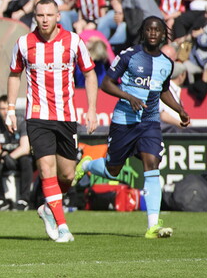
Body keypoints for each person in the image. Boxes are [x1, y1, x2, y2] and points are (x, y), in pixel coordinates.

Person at [75, 17, 190, 238]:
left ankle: (152, 226)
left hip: (149, 122)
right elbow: (106, 83)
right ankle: (89, 164)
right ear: (143, 32)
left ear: (163, 34)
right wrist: (129, 97)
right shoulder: (129, 55)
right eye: (149, 29)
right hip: (124, 121)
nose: (153, 33)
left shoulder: (167, 63)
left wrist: (179, 109)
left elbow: (162, 90)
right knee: (112, 169)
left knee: (152, 162)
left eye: (157, 30)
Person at [6, 0, 98, 244]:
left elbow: (89, 74)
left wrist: (91, 109)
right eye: (40, 15)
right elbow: (14, 75)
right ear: (35, 17)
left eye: (49, 15)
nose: (44, 19)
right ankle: (63, 226)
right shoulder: (24, 43)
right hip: (37, 116)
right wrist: (10, 108)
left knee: (67, 175)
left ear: (58, 16)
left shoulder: (74, 41)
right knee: (46, 169)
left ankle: (48, 207)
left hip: (66, 116)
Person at [0, 95, 33, 211]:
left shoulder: (21, 121)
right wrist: (4, 156)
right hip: (2, 157)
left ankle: (24, 200)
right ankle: (1, 200)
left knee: (26, 161)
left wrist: (9, 157)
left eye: (7, 108)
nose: (5, 112)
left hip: (18, 157)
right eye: (2, 109)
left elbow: (25, 148)